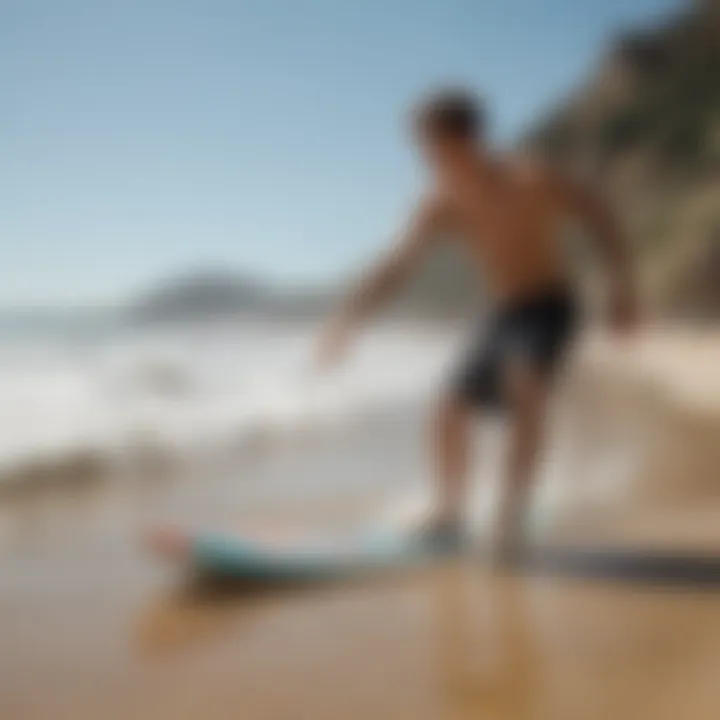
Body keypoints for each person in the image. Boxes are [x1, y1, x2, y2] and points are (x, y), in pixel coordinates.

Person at [316, 89, 638, 559]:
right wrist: (348, 319)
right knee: (447, 407)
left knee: (524, 382)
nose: (426, 158)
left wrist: (622, 288)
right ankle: (449, 514)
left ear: (467, 139)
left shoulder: (531, 177)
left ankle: (511, 514)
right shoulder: (440, 202)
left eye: (431, 146)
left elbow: (599, 213)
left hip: (550, 303)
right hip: (503, 310)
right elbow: (397, 263)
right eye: (422, 148)